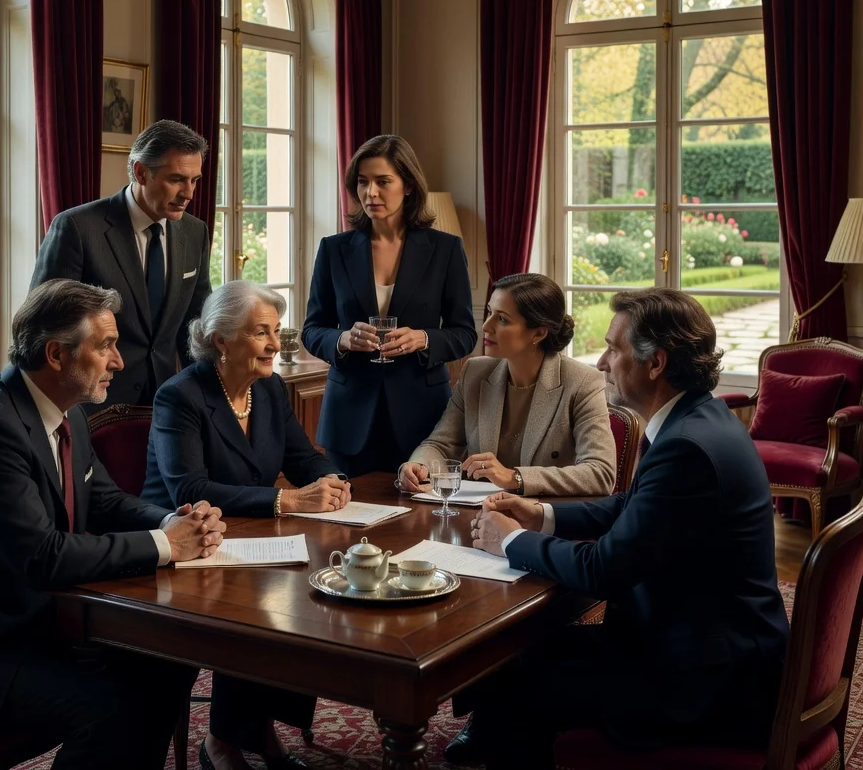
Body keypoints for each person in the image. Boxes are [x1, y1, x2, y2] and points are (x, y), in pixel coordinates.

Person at [0, 280, 226, 770]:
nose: (118, 361)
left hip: (24, 623)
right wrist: (166, 544)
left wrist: (174, 520)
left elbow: (103, 499)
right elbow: (44, 556)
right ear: (56, 355)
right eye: (106, 346)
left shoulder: (65, 413)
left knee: (164, 665)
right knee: (111, 706)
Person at [458, 288, 789, 769]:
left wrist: (508, 540)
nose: (601, 361)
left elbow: (604, 570)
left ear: (655, 363)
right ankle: (492, 743)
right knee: (514, 654)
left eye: (613, 347)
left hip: (700, 681)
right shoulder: (698, 418)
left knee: (517, 686)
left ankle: (502, 744)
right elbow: (630, 507)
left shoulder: (687, 449)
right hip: (702, 647)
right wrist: (541, 514)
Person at [143, 279, 348, 770]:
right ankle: (221, 743)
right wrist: (286, 501)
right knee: (260, 605)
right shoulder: (181, 396)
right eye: (262, 333)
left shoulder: (271, 388)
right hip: (181, 545)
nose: (276, 344)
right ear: (221, 339)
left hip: (248, 541)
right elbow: (188, 491)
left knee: (309, 592)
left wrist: (333, 482)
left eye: (276, 331)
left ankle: (256, 729)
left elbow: (303, 459)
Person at [302, 135, 477, 475]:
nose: (371, 193)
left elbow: (465, 332)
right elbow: (312, 329)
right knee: (345, 522)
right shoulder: (333, 249)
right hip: (348, 418)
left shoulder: (445, 250)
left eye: (383, 182)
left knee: (420, 521)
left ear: (408, 185)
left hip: (423, 419)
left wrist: (424, 339)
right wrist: (341, 339)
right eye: (363, 182)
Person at [31, 119, 212, 406]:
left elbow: (198, 322)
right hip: (91, 405)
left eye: (194, 180)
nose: (188, 194)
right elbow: (43, 326)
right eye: (176, 179)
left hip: (167, 402)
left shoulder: (195, 232)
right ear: (141, 172)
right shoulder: (77, 228)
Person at [398, 273, 615, 498]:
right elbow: (441, 445)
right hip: (477, 517)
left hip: (546, 520)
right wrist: (420, 466)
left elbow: (601, 473)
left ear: (539, 333)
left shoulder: (582, 382)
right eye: (490, 313)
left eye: (502, 319)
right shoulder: (475, 372)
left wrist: (514, 478)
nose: (487, 327)